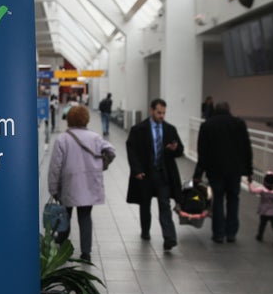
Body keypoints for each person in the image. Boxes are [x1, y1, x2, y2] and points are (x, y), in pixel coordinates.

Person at [48, 105, 115, 261]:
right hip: (89, 184)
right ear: (86, 118)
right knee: (85, 217)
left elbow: (55, 167)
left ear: (69, 119)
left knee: (65, 215)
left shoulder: (62, 139)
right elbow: (111, 151)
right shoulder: (95, 137)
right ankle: (86, 252)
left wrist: (53, 188)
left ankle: (62, 245)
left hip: (69, 184)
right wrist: (103, 164)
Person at [126, 98, 184, 251]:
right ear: (151, 110)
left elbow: (180, 150)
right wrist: (137, 170)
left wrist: (174, 149)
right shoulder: (139, 129)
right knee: (145, 205)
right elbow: (131, 150)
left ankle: (169, 238)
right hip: (146, 175)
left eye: (164, 113)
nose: (161, 116)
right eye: (159, 112)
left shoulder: (170, 129)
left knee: (164, 205)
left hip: (163, 175)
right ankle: (145, 231)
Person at [193, 101, 253, 243]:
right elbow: (247, 148)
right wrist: (249, 171)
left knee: (218, 200)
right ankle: (231, 233)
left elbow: (203, 152)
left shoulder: (207, 125)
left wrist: (198, 174)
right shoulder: (239, 124)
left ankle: (219, 233)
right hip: (235, 171)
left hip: (215, 170)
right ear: (229, 110)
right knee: (233, 199)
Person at [248, 171, 273, 249]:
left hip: (264, 211)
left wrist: (249, 183)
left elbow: (252, 190)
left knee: (262, 224)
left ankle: (260, 235)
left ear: (264, 182)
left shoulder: (262, 189)